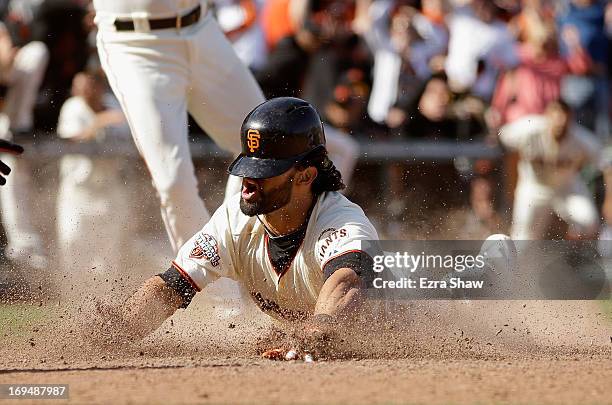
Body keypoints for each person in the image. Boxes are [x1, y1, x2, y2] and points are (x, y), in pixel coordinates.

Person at [91, 97, 379, 360]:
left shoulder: (342, 222)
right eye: (247, 168)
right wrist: (119, 327)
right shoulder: (235, 219)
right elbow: (171, 287)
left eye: (264, 172)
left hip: (395, 326)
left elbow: (347, 281)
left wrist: (317, 330)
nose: (248, 182)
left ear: (305, 175)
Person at [93, 0, 265, 253]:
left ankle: (238, 254)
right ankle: (211, 287)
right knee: (173, 181)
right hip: (135, 45)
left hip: (202, 29)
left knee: (265, 141)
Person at [55, 71, 131, 297]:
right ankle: (74, 298)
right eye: (79, 87)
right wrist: (100, 122)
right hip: (78, 192)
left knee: (108, 252)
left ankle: (106, 300)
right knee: (72, 243)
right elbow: (72, 139)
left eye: (89, 86)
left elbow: (128, 138)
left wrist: (103, 121)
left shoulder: (113, 105)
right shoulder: (73, 107)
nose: (84, 92)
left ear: (99, 87)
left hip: (109, 190)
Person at [499, 100, 601, 240]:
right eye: (556, 118)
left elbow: (605, 162)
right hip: (534, 187)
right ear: (547, 117)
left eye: (564, 120)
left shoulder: (581, 138)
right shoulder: (529, 129)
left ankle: (570, 256)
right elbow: (503, 140)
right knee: (522, 238)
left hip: (567, 187)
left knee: (588, 223)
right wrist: (511, 186)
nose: (560, 124)